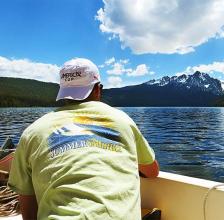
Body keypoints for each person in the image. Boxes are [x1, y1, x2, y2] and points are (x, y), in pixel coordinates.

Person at [8, 58, 159, 220]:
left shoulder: (33, 132)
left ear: (63, 92)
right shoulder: (123, 120)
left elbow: (27, 200)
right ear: (98, 89)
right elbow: (152, 171)